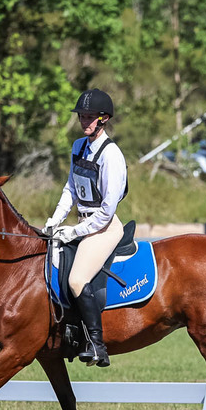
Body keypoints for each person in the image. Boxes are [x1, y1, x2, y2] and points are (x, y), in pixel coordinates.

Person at [43, 89, 128, 367]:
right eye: (82, 116)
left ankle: (96, 344)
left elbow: (106, 211)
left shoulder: (111, 155)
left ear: (104, 119)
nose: (84, 121)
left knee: (77, 279)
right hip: (83, 221)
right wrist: (56, 220)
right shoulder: (78, 146)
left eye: (90, 116)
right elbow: (71, 188)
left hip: (104, 227)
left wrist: (74, 232)